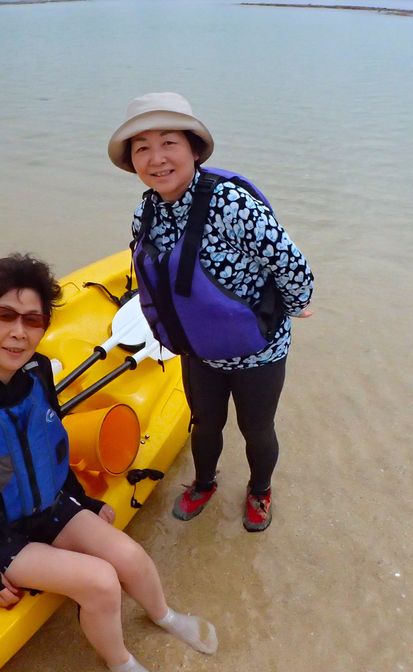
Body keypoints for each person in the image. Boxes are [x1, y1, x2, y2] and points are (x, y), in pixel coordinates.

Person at [0, 254, 217, 672]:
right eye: (4, 316)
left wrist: (81, 501)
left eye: (32, 321)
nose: (18, 334)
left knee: (130, 557)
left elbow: (47, 444)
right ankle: (120, 662)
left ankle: (165, 616)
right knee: (102, 584)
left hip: (47, 507)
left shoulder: (36, 370)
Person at [107, 92, 314, 533]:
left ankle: (260, 490)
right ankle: (204, 482)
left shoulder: (231, 205)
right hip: (198, 349)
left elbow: (293, 265)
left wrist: (294, 305)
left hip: (256, 350)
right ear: (132, 162)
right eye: (142, 148)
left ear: (194, 149)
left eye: (169, 143)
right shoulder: (145, 212)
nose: (157, 158)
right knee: (204, 424)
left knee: (256, 428)